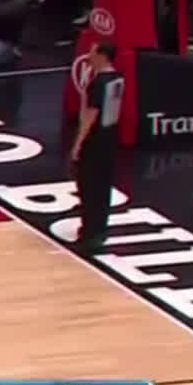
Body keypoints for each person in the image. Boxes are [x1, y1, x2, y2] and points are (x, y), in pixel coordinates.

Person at [70, 40, 123, 254]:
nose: (88, 56)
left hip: (94, 141)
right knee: (102, 188)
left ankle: (90, 234)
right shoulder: (118, 78)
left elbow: (90, 116)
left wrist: (78, 144)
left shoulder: (98, 83)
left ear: (102, 55)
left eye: (92, 52)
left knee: (89, 188)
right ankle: (99, 230)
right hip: (109, 139)